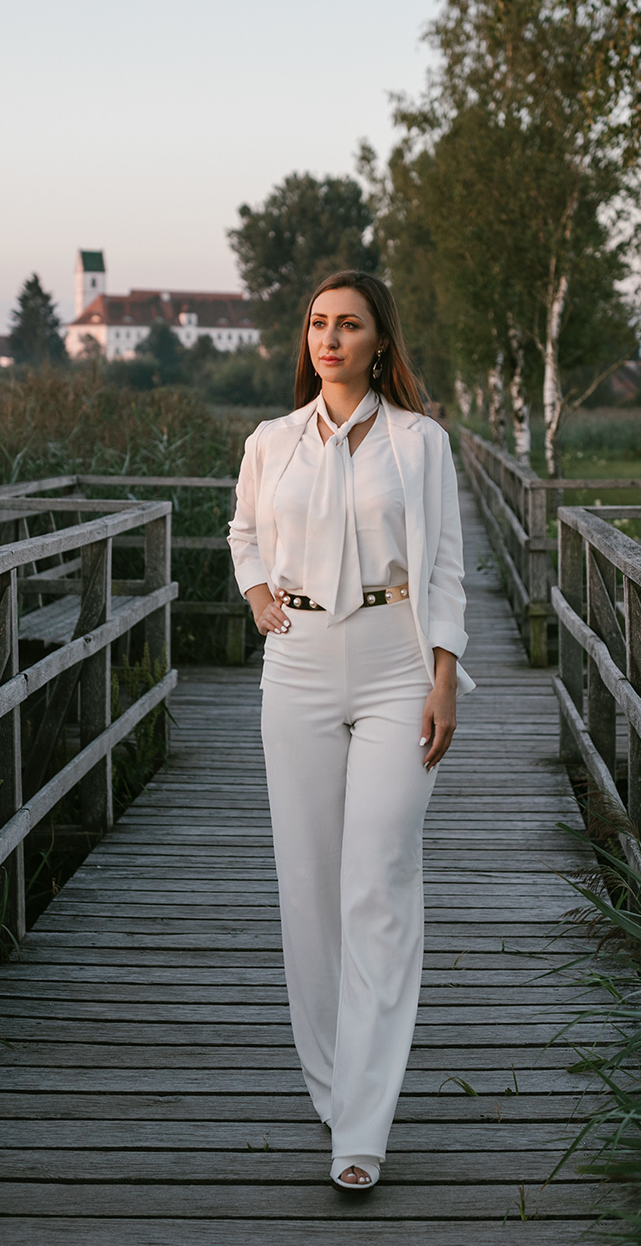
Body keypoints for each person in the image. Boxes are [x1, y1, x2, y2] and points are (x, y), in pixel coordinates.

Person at [226, 269, 474, 1192]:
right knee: (309, 890)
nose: (329, 339)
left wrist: (444, 678)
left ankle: (363, 1125)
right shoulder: (272, 441)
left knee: (380, 881)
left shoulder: (422, 444)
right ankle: (333, 1089)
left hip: (395, 661)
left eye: (349, 325)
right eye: (318, 324)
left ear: (380, 342)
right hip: (296, 665)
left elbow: (446, 567)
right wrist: (257, 593)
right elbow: (243, 531)